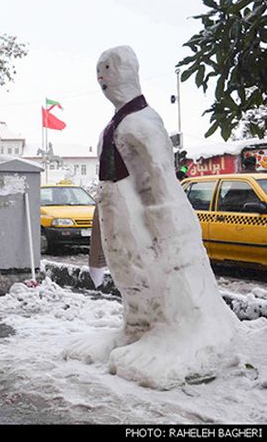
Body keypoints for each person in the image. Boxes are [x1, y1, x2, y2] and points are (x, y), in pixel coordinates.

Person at [66, 46, 237, 389]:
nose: (102, 78)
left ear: (128, 70)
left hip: (152, 222)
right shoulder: (110, 128)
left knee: (164, 275)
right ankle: (138, 327)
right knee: (132, 274)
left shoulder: (144, 122)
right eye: (99, 70)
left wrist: (170, 232)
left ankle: (183, 330)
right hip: (120, 217)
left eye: (109, 68)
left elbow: (162, 179)